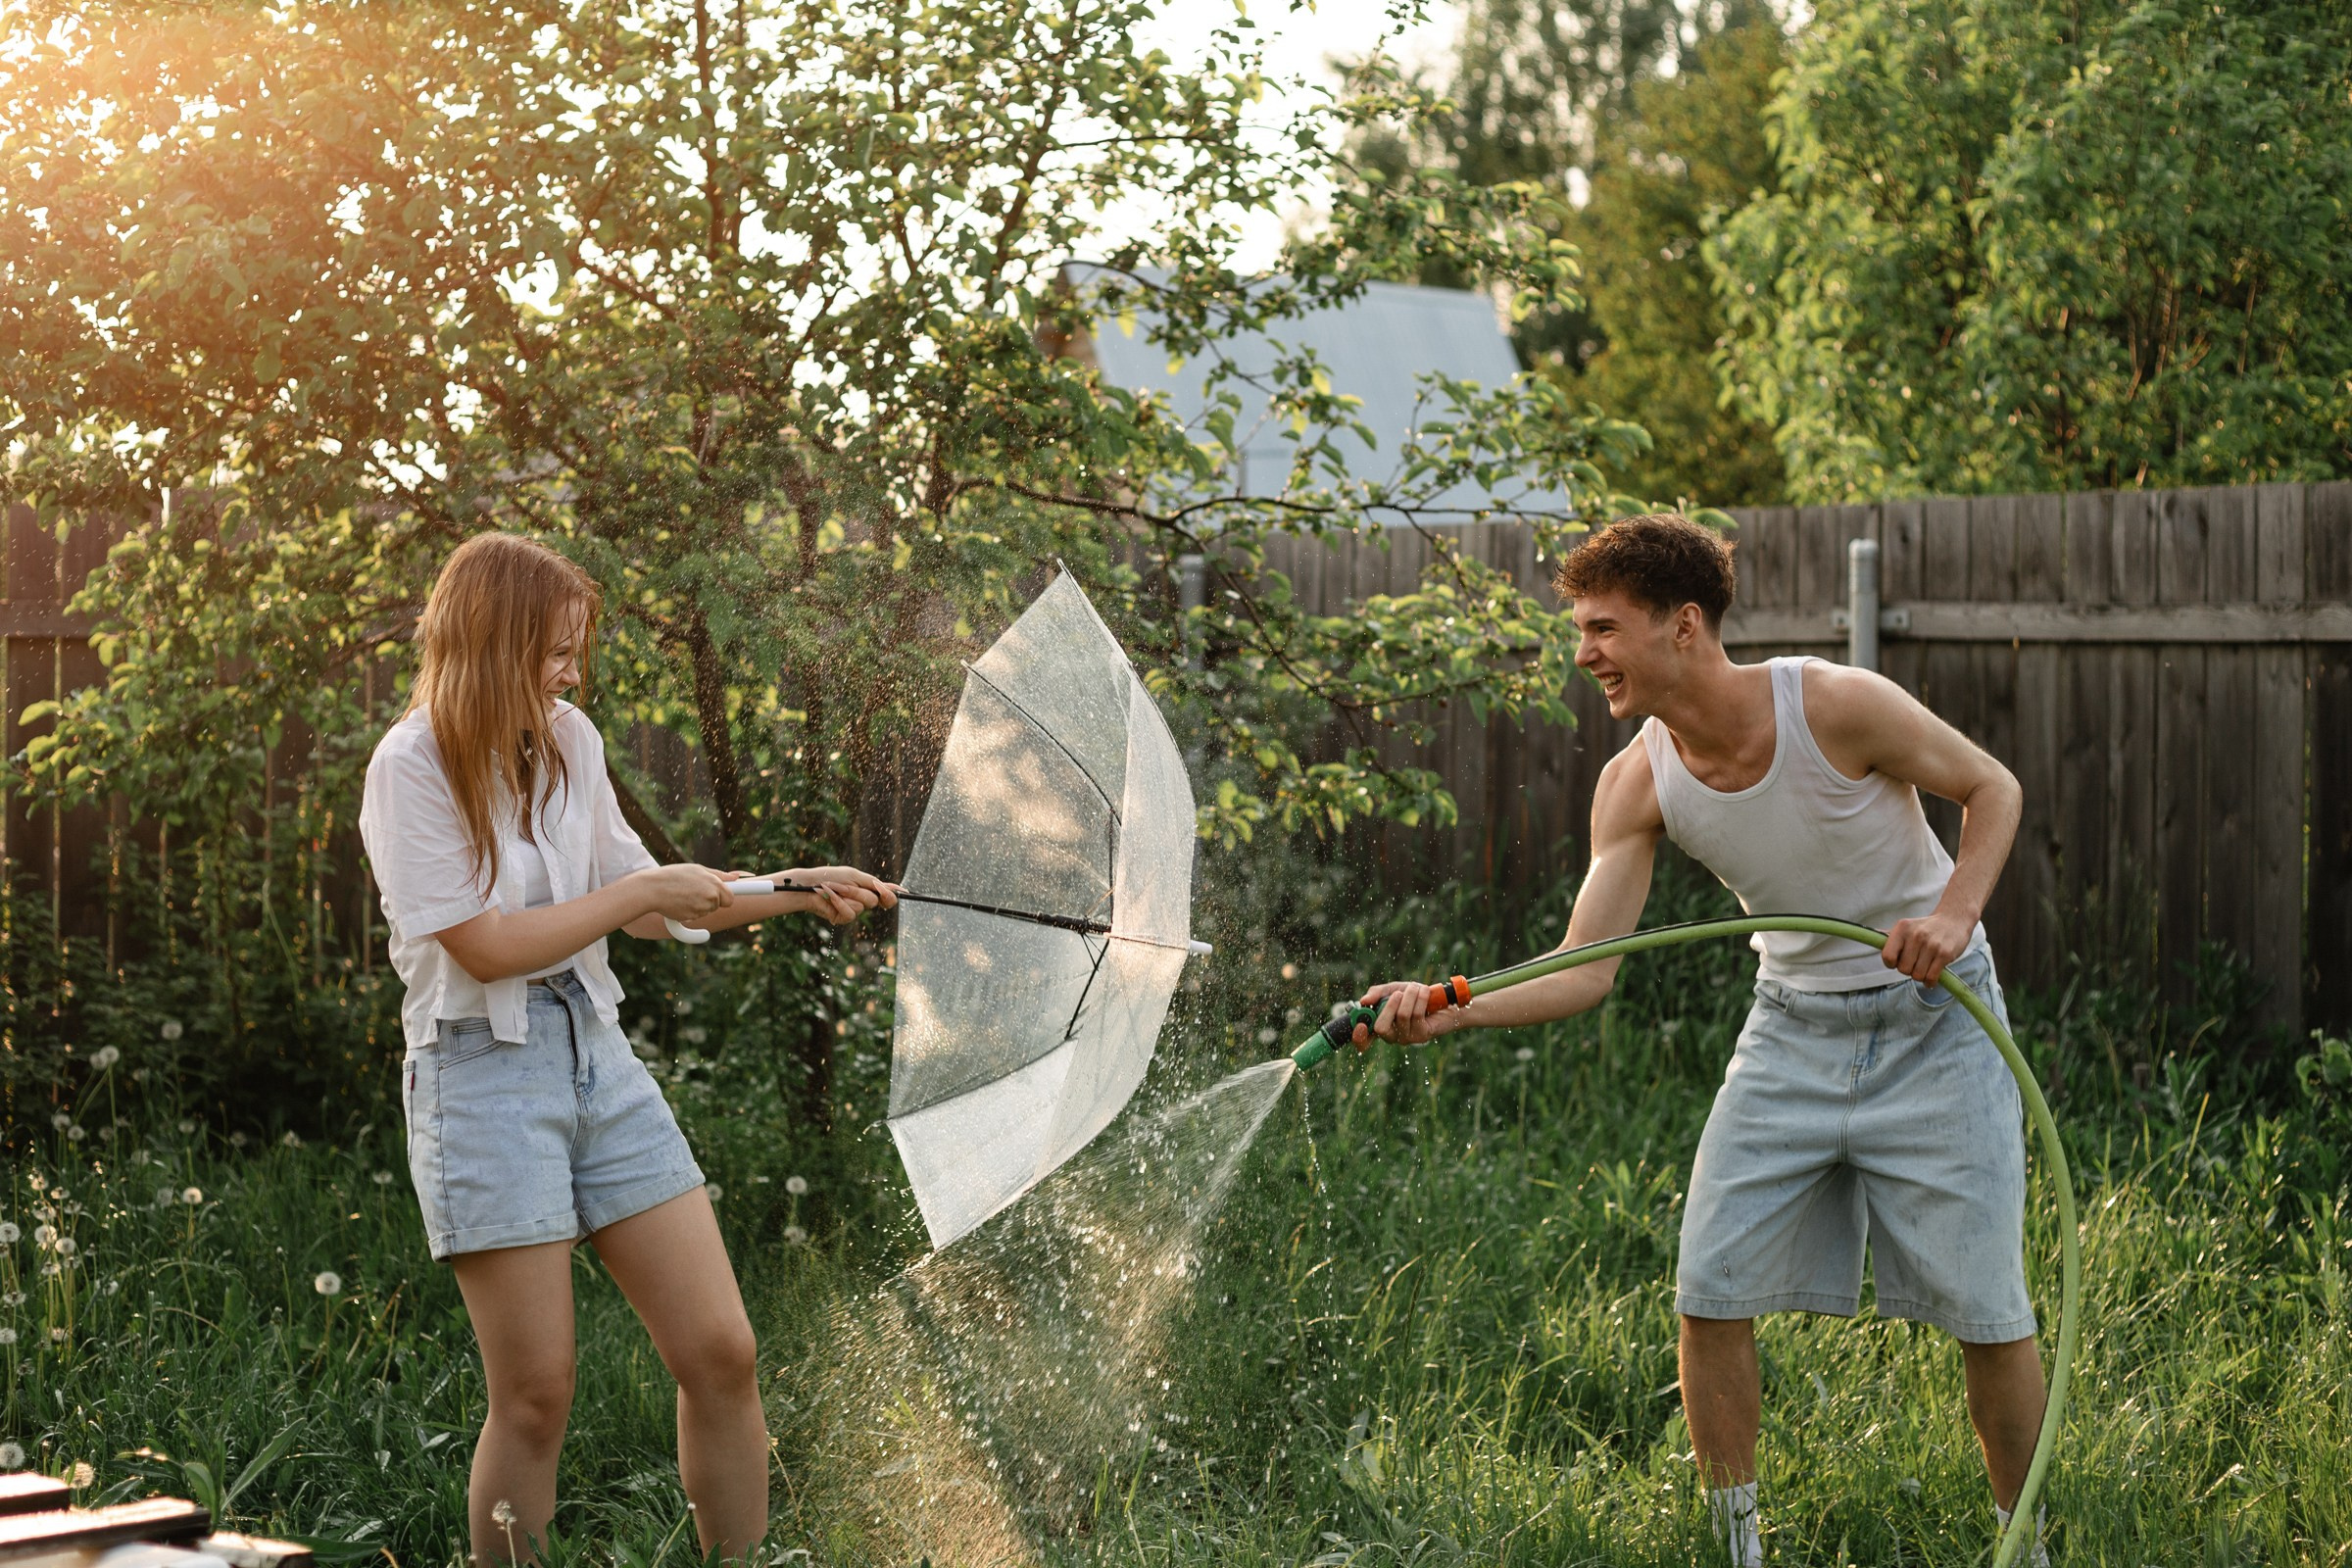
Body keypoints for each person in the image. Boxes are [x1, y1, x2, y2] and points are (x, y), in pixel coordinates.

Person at [1359, 514, 2050, 1567]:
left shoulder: (1834, 704)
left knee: (1989, 1310)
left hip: (1937, 1019)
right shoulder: (1638, 782)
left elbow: (1990, 787)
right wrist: (1442, 1005)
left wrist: (1952, 915)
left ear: (1683, 625)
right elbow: (1583, 968)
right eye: (1580, 629)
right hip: (1792, 1030)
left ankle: (2026, 1544)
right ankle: (1741, 1552)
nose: (1583, 652)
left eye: (1602, 627)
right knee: (1709, 1291)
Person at [359, 532, 897, 1564]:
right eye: (555, 652)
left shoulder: (567, 740)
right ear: (492, 642)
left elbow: (658, 905)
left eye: (574, 653)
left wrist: (791, 887)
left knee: (722, 1350)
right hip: (478, 1072)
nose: (571, 674)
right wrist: (641, 892)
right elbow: (487, 942)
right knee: (534, 1393)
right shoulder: (412, 764)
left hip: (593, 1053)